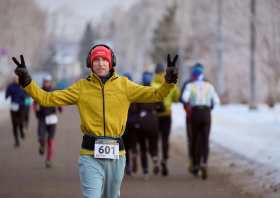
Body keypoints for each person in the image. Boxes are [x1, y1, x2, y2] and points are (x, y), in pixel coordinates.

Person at [13, 47, 179, 198]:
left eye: (104, 60)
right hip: (90, 155)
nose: (101, 64)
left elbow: (157, 95)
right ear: (90, 64)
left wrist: (170, 81)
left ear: (111, 62)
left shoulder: (124, 85)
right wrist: (27, 81)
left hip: (117, 156)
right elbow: (47, 99)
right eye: (96, 60)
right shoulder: (81, 87)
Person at [181, 65, 220, 180]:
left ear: (193, 75)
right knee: (205, 140)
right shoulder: (209, 85)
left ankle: (196, 165)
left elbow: (184, 98)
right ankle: (204, 162)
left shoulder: (190, 85)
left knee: (195, 140)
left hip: (195, 113)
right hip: (206, 114)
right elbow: (217, 101)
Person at [151, 62, 180, 176]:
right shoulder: (170, 82)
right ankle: (165, 159)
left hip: (154, 116)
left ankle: (155, 157)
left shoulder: (151, 83)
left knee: (155, 139)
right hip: (167, 115)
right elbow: (177, 99)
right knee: (165, 139)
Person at [136, 72, 162, 180]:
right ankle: (155, 157)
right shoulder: (156, 92)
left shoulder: (138, 92)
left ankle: (145, 172)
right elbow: (162, 108)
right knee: (153, 145)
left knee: (142, 149)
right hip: (153, 122)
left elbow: (133, 109)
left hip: (141, 123)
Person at [32, 74, 63, 168]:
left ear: (50, 82)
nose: (47, 83)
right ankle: (42, 145)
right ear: (43, 82)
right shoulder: (39, 91)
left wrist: (60, 107)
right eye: (45, 82)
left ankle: (48, 159)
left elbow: (60, 101)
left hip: (52, 118)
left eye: (48, 82)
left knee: (50, 140)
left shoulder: (54, 91)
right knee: (41, 138)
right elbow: (34, 103)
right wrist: (36, 110)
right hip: (42, 117)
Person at [179, 63, 205, 173]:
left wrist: (187, 107)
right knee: (202, 140)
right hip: (205, 116)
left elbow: (181, 99)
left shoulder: (188, 83)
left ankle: (194, 162)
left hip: (191, 117)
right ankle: (201, 162)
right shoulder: (206, 83)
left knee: (192, 140)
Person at [121, 72, 139, 177]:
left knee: (125, 147)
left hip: (123, 124)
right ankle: (135, 154)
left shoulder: (119, 93)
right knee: (133, 144)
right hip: (134, 123)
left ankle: (127, 168)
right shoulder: (135, 92)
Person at [5, 75, 28, 147]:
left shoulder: (23, 86)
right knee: (14, 124)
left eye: (17, 78)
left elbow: (28, 94)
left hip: (21, 106)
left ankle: (21, 131)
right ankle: (16, 140)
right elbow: (6, 96)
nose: (16, 79)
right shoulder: (10, 86)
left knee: (21, 122)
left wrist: (24, 96)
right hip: (13, 107)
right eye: (15, 78)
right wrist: (8, 94)